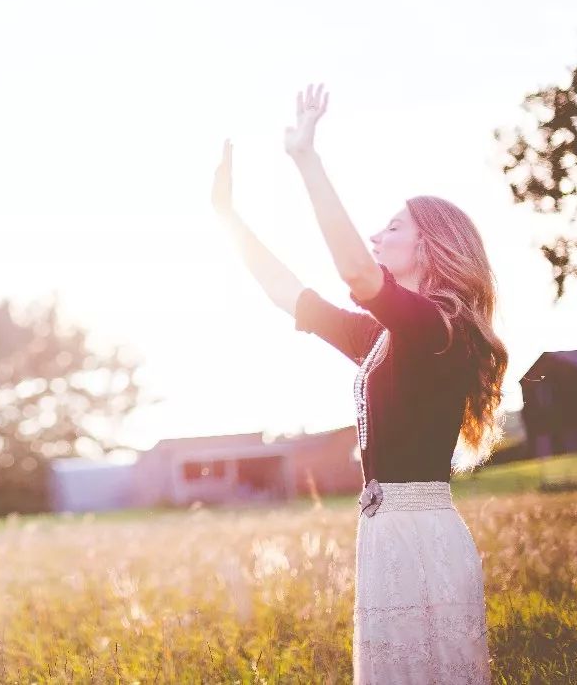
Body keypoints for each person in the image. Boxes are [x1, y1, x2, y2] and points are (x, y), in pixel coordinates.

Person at [210, 83, 506, 683]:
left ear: (431, 246)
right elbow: (289, 294)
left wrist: (307, 160)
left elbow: (355, 271)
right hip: (385, 538)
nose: (376, 237)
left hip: (423, 541)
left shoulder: (438, 327)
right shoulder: (383, 336)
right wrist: (228, 218)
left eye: (391, 228)